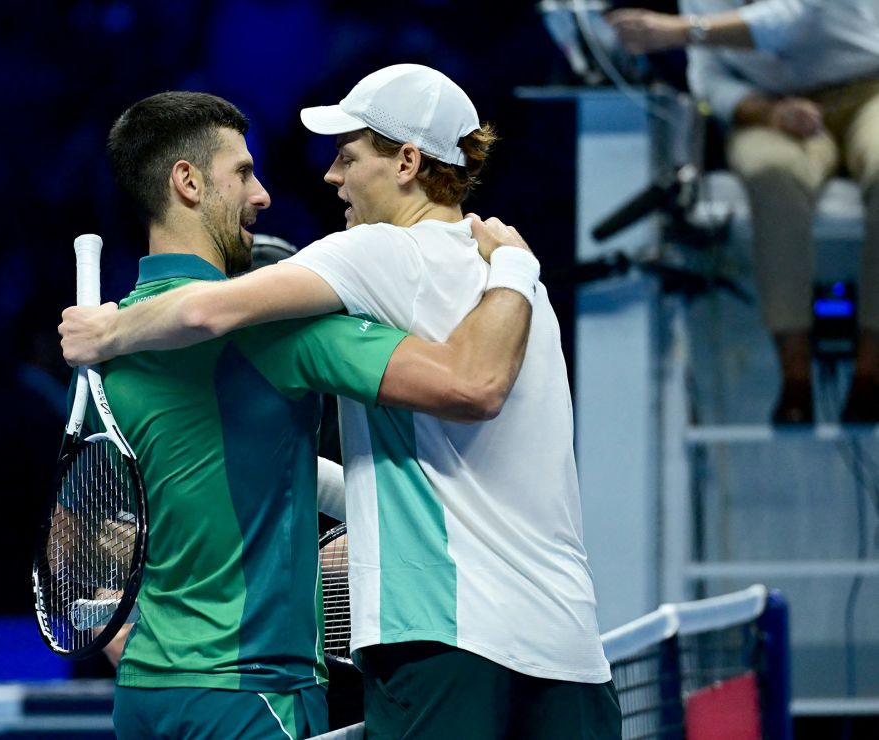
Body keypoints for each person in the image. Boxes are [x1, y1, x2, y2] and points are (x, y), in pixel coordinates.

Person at [60, 65, 620, 739]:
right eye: (243, 174)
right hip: (281, 689)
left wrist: (111, 328)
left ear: (409, 162)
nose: (274, 192)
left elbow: (73, 540)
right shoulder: (499, 296)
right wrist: (518, 268)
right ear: (187, 182)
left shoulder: (101, 364)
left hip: (154, 693)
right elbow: (465, 387)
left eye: (346, 157)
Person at [608, 0, 879, 425]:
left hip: (868, 88)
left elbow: (793, 17)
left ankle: (871, 369)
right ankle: (795, 373)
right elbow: (708, 79)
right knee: (771, 174)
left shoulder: (690, 24)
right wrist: (767, 112)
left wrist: (682, 30)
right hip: (771, 108)